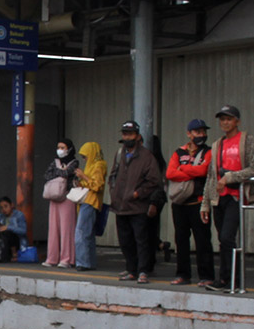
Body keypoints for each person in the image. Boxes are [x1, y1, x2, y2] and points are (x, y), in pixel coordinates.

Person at [201, 105, 254, 291]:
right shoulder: (217, 144)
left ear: (237, 121)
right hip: (219, 197)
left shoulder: (246, 140)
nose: (225, 122)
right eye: (222, 119)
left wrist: (230, 177)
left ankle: (234, 279)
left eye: (229, 119)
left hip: (237, 196)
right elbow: (211, 175)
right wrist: (205, 204)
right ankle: (226, 279)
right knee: (222, 239)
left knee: (228, 237)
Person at [108, 121, 164, 284]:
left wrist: (138, 193)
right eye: (125, 134)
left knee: (142, 241)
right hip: (120, 206)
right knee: (125, 241)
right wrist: (113, 192)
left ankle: (143, 271)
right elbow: (112, 176)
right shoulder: (119, 154)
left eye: (130, 134)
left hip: (138, 206)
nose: (127, 137)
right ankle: (131, 269)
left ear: (138, 136)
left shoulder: (147, 156)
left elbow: (154, 181)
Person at [166, 119, 214, 286]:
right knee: (181, 240)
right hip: (180, 204)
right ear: (189, 134)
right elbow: (170, 173)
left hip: (199, 202)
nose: (202, 135)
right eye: (197, 132)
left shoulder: (208, 151)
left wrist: (184, 169)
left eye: (203, 132)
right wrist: (192, 172)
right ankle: (183, 275)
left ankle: (206, 276)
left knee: (203, 240)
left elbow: (204, 170)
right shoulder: (179, 152)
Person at [42, 139, 79, 268]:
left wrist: (58, 172)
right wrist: (61, 172)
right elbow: (46, 175)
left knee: (66, 229)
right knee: (53, 228)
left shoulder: (74, 162)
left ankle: (66, 259)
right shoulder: (55, 161)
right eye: (59, 147)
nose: (60, 150)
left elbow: (67, 173)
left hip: (67, 197)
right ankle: (51, 258)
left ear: (69, 149)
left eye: (63, 147)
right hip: (54, 197)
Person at [72, 141, 106, 272]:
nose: (84, 159)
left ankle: (83, 262)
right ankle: (89, 262)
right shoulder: (90, 165)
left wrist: (83, 176)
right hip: (86, 201)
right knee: (88, 234)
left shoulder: (99, 165)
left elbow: (97, 185)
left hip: (91, 201)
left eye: (85, 156)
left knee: (81, 233)